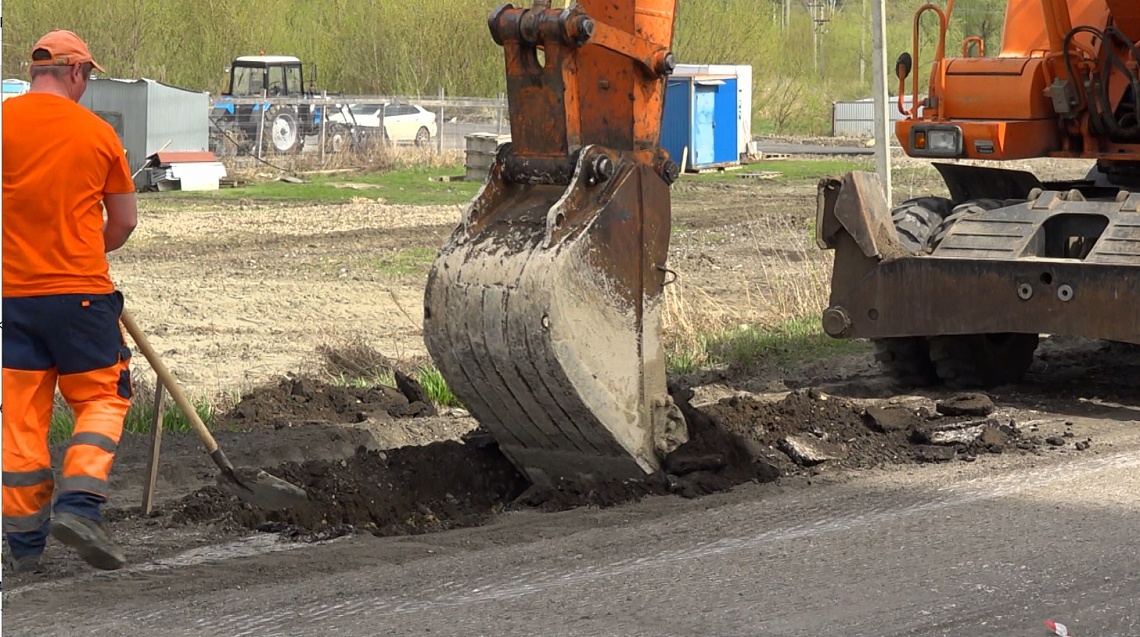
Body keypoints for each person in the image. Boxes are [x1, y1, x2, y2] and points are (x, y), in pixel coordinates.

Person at [2, 29, 138, 572]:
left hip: (12, 301)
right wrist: (86, 248)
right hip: (81, 295)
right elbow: (124, 221)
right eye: (90, 77)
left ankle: (24, 548)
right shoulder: (97, 133)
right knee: (104, 397)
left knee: (21, 422)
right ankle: (80, 506)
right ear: (77, 72)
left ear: (38, 72)